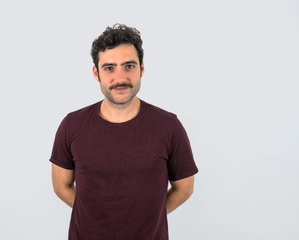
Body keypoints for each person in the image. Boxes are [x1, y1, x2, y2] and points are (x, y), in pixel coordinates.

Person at [49, 24, 198, 240]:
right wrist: (94, 215)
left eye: (129, 66)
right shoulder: (72, 125)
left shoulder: (169, 126)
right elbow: (61, 186)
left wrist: (147, 216)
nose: (120, 78)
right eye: (109, 68)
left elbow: (184, 188)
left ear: (142, 69)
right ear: (96, 73)